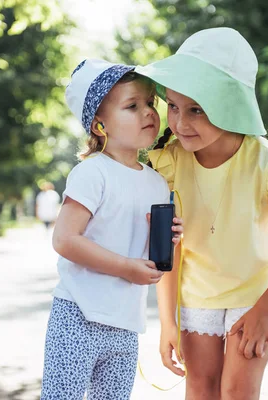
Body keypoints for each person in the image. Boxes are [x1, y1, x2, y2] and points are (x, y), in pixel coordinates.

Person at [137, 27, 268, 399]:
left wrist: (266, 310)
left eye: (196, 110)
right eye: (173, 106)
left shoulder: (267, 163)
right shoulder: (168, 162)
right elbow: (167, 248)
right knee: (201, 387)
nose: (180, 123)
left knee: (237, 391)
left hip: (257, 294)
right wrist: (167, 321)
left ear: (230, 106)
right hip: (196, 293)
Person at [40, 59, 184, 400]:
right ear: (98, 123)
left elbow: (148, 255)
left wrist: (166, 240)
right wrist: (125, 267)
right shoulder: (92, 173)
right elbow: (64, 239)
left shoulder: (157, 182)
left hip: (125, 323)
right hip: (78, 315)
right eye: (132, 106)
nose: (148, 112)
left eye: (150, 103)